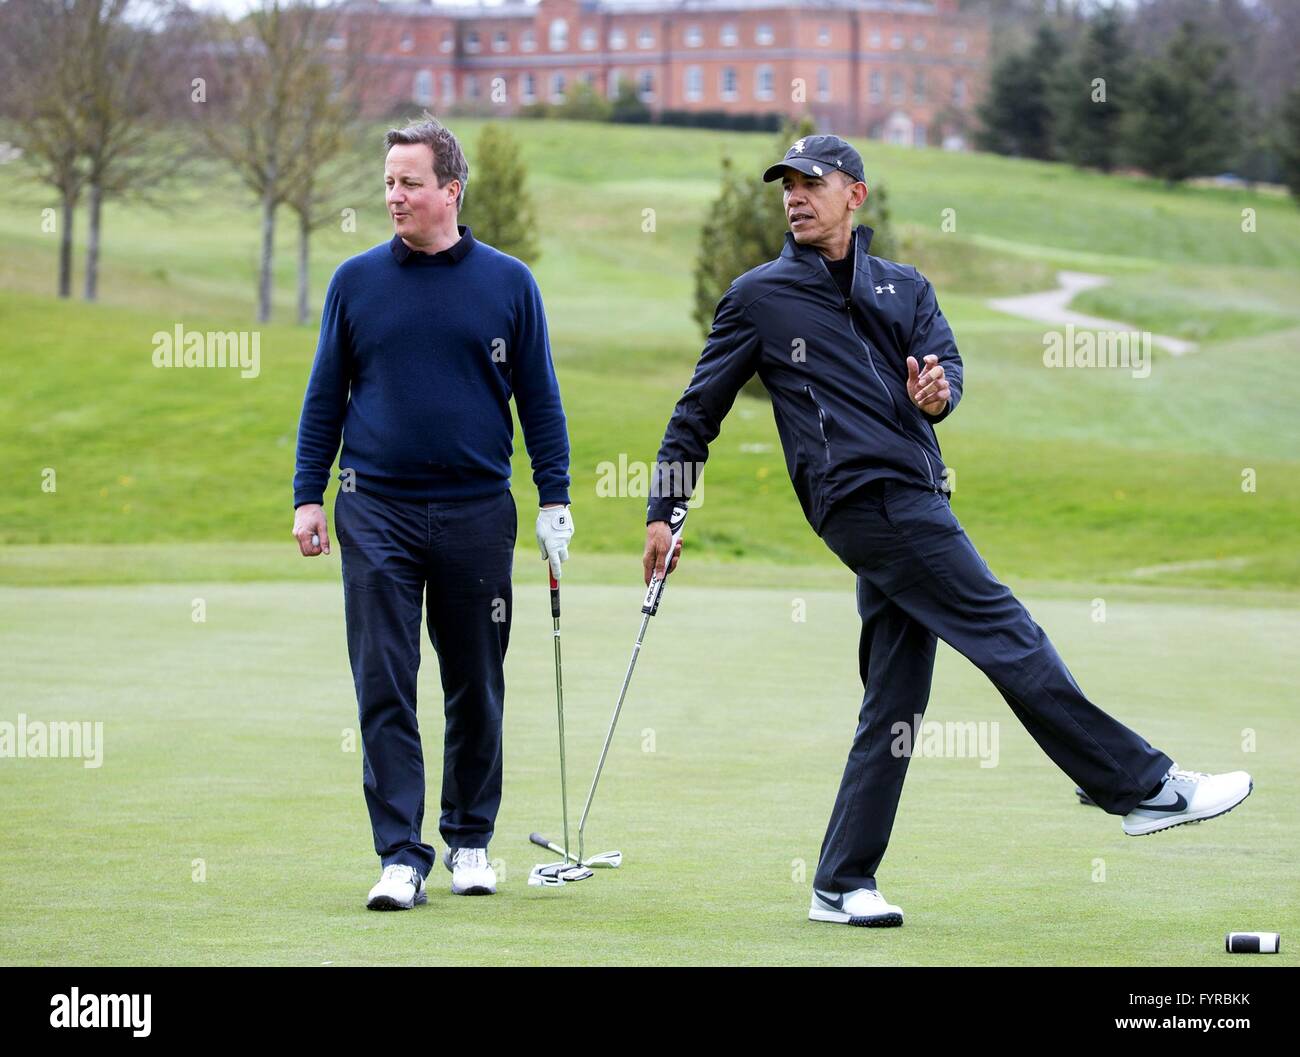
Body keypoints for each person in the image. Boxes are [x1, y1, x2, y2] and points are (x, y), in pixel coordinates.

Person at [643, 134, 1252, 928]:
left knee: (894, 701)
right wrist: (664, 509)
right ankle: (1140, 787)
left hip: (914, 491)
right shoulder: (759, 297)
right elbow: (698, 411)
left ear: (854, 195)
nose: (794, 196)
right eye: (786, 185)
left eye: (811, 182)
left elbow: (945, 375)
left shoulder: (905, 288)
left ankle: (839, 880)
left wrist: (935, 394)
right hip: (865, 500)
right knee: (1009, 633)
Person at [292, 117, 574, 911]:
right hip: (373, 508)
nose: (394, 195)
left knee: (476, 682)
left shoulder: (508, 283)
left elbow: (540, 400)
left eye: (409, 182)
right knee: (383, 680)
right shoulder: (354, 283)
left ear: (451, 190)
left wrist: (555, 498)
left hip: (477, 512)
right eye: (387, 182)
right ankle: (399, 855)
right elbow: (324, 399)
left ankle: (470, 841)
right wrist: (307, 493)